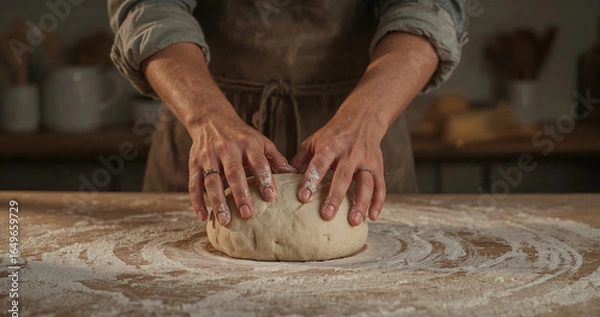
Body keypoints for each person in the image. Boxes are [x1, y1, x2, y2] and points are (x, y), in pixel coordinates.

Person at [108, 0, 466, 227]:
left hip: (364, 133)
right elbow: (149, 8)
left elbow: (428, 9)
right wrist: (206, 117)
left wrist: (366, 120)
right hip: (207, 128)